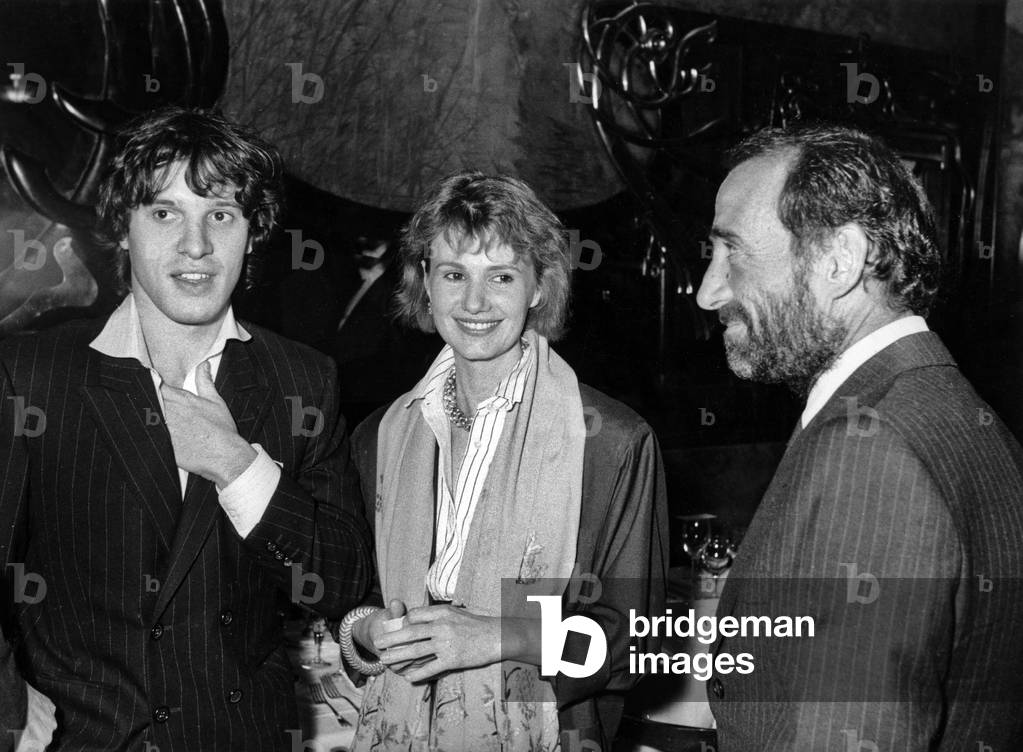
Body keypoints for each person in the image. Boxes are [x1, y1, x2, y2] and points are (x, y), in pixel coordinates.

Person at [0, 107, 372, 750]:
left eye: (221, 215)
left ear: (253, 233)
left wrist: (236, 465)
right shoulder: (32, 374)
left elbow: (342, 584)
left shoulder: (301, 381)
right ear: (123, 229)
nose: (195, 245)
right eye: (165, 213)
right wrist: (6, 702)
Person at [696, 123, 1023, 749]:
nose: (710, 292)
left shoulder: (872, 450)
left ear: (838, 261)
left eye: (732, 252)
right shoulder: (949, 409)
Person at [338, 172, 668, 751]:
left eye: (502, 276)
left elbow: (635, 643)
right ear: (425, 283)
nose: (474, 303)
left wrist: (498, 637)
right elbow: (357, 593)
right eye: (453, 275)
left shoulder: (610, 442)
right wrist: (366, 627)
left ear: (538, 287)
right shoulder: (379, 437)